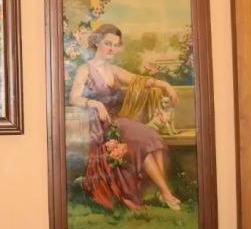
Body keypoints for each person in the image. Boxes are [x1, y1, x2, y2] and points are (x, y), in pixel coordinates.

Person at [68, 23, 182, 211]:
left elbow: (141, 81)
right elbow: (74, 98)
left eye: (116, 45)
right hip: (102, 126)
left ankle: (163, 192)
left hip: (118, 121)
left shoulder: (114, 70)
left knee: (152, 137)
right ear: (97, 42)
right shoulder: (85, 69)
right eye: (108, 43)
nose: (112, 49)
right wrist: (95, 103)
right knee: (142, 141)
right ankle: (166, 194)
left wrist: (165, 85)